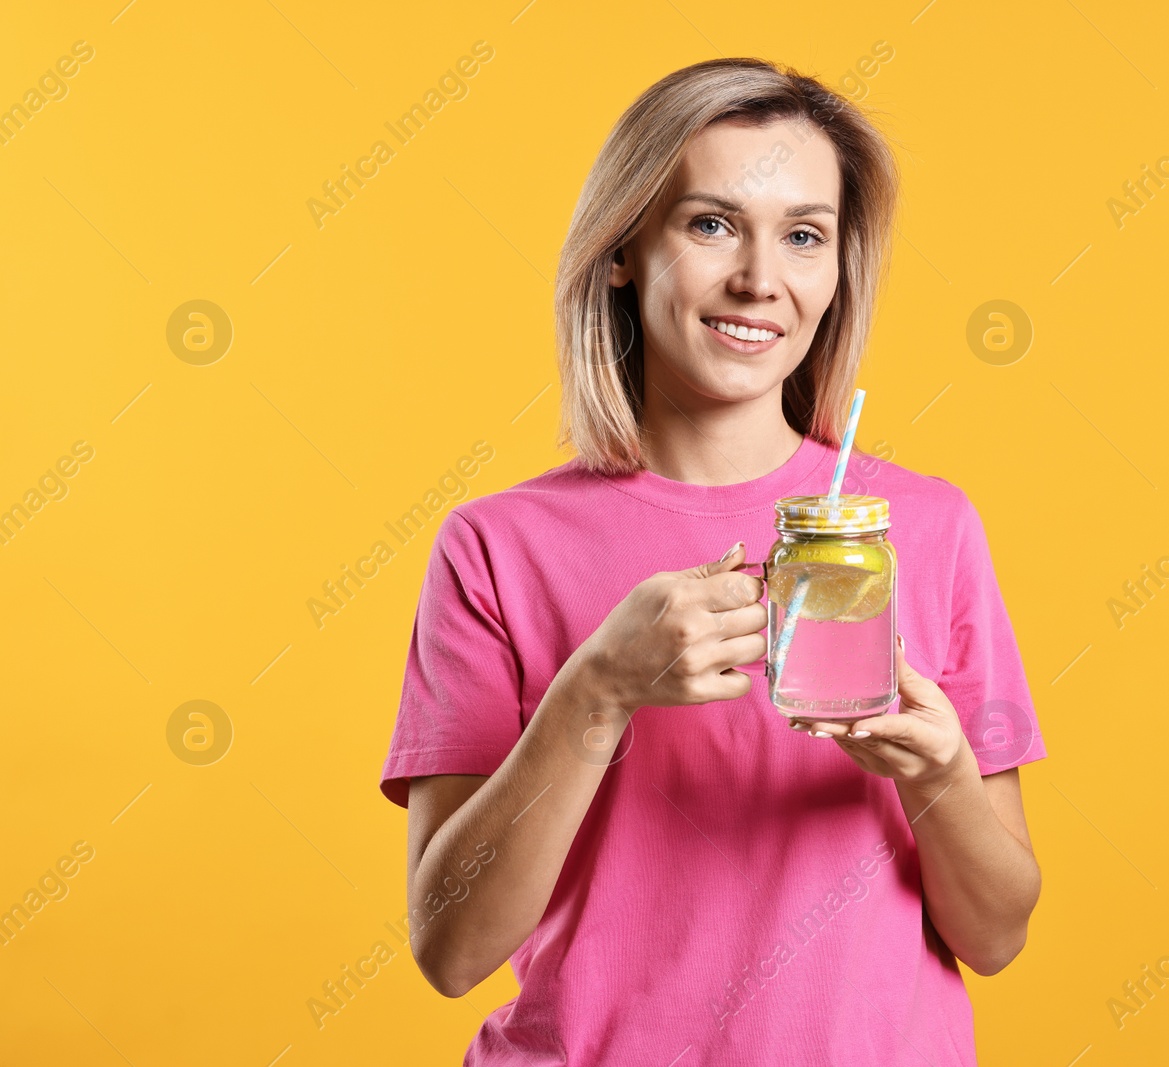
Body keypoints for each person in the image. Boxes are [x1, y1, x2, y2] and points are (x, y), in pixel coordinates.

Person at [379, 56, 1047, 1066]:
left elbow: (995, 934)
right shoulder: (495, 546)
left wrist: (939, 770)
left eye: (804, 235)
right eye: (710, 223)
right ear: (621, 250)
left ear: (837, 270)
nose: (759, 279)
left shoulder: (926, 525)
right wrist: (596, 691)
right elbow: (451, 945)